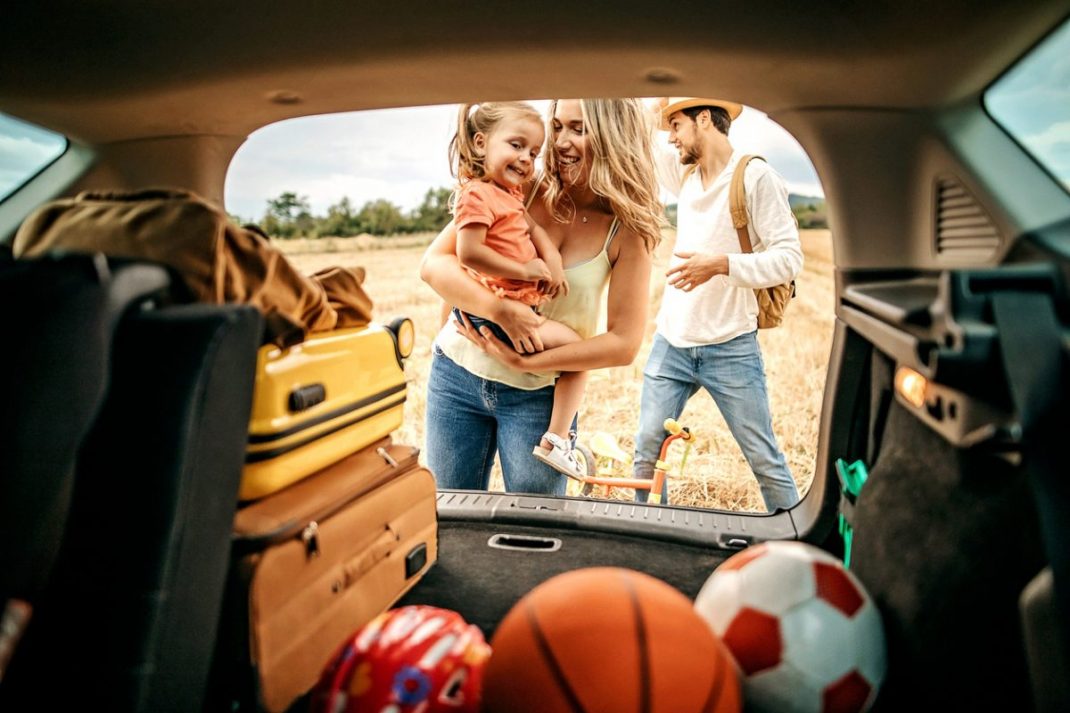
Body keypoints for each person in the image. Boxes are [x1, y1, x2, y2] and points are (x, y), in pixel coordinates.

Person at [420, 98, 663, 496]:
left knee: (535, 528)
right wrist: (501, 311)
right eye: (558, 126)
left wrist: (523, 360)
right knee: (449, 515)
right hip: (456, 378)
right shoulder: (519, 190)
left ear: (615, 137)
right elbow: (434, 264)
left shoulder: (627, 231)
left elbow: (623, 344)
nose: (561, 142)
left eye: (579, 129)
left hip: (539, 399)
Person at [633, 97, 802, 512]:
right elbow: (639, 135)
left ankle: (802, 545)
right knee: (645, 456)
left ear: (704, 119)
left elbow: (789, 258)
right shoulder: (685, 174)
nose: (670, 137)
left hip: (731, 346)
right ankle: (652, 535)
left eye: (676, 126)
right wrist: (661, 103)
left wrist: (721, 264)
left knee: (764, 459)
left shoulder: (756, 176)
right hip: (672, 341)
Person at [446, 101, 587, 478]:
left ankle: (559, 439)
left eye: (534, 152)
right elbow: (469, 252)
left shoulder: (511, 194)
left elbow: (534, 230)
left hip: (515, 308)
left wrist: (552, 264)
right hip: (494, 313)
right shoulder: (475, 194)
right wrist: (524, 270)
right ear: (480, 143)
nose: (526, 158)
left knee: (577, 355)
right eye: (516, 145)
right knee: (579, 353)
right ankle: (558, 440)